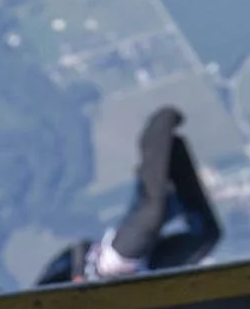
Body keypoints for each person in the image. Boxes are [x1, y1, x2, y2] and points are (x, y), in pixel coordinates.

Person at [35, 106, 222, 285]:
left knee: (152, 213)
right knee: (206, 234)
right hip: (145, 273)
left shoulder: (41, 294)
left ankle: (155, 135)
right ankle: (175, 155)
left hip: (111, 265)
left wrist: (79, 274)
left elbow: (77, 250)